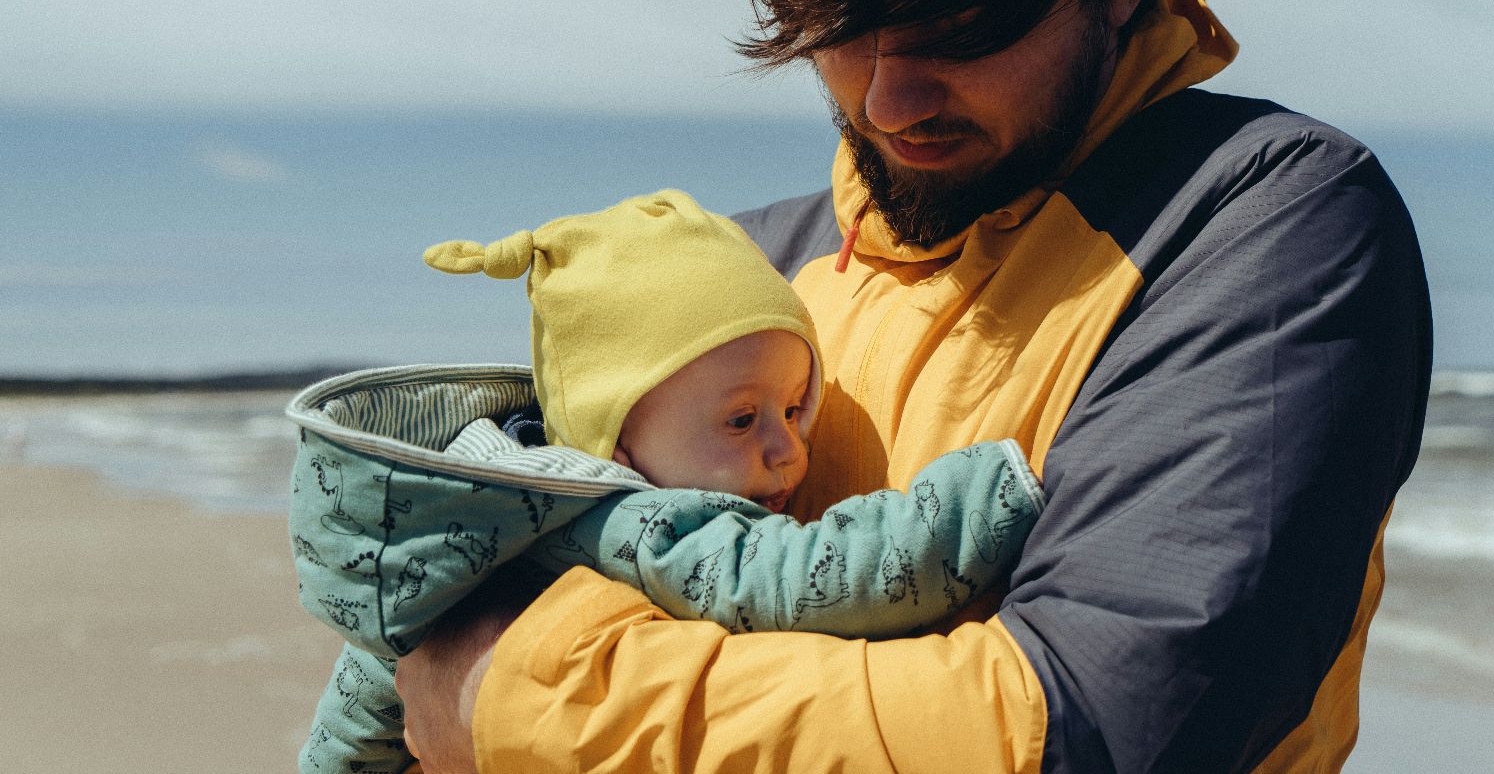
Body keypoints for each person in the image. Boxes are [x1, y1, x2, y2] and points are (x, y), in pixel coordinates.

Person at [397, 0, 1432, 771]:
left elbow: (1096, 725)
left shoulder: (1261, 225)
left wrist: (521, 696)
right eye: (838, 33)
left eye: (959, 28)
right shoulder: (744, 275)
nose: (888, 103)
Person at [288, 191, 1042, 772]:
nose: (789, 451)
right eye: (742, 421)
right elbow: (807, 578)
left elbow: (360, 698)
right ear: (615, 441)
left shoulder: (480, 512)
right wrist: (988, 494)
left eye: (793, 407)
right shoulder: (642, 524)